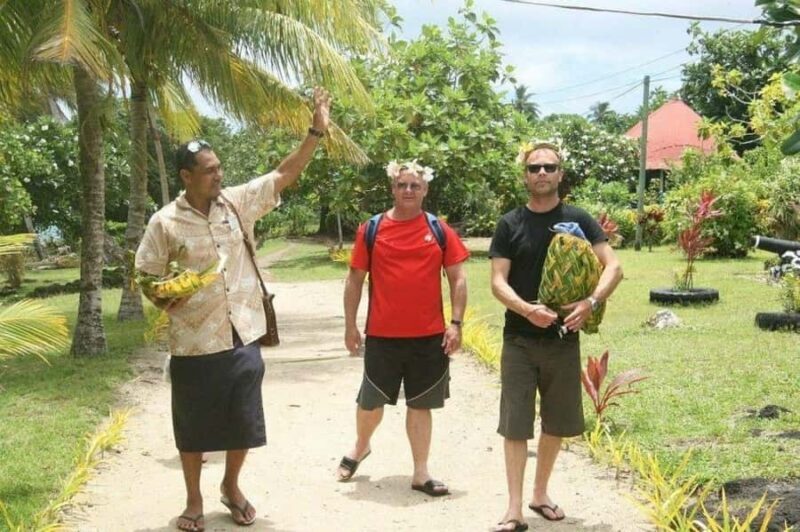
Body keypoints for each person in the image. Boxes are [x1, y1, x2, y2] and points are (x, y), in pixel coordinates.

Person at [135, 88, 331, 532]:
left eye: (219, 167)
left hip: (242, 332)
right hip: (193, 340)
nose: (218, 175)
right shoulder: (164, 221)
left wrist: (315, 132)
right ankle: (193, 501)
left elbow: (284, 174)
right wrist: (164, 297)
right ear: (186, 176)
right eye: (209, 170)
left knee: (243, 421)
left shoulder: (236, 203)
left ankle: (231, 486)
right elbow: (145, 274)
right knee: (192, 426)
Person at [488, 141, 623, 532]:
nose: (542, 173)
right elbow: (497, 281)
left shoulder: (579, 220)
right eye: (535, 168)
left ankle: (540, 494)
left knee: (556, 421)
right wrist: (527, 309)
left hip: (563, 340)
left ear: (561, 174)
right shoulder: (510, 223)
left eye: (549, 167)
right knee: (515, 423)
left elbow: (613, 267)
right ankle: (514, 508)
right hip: (518, 339)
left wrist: (591, 302)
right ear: (525, 176)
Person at [335, 160, 469, 498]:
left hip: (428, 337)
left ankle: (420, 472)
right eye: (402, 185)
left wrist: (455, 324)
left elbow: (458, 278)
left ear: (425, 190)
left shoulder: (439, 229)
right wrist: (350, 325)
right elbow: (354, 280)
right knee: (370, 403)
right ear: (392, 188)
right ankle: (361, 445)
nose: (408, 190)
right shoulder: (372, 229)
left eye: (415, 186)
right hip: (382, 336)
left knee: (421, 404)